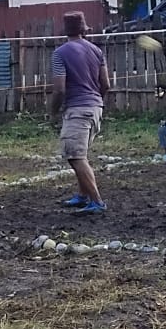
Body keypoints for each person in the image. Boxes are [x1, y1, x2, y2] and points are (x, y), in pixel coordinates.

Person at [51, 11, 110, 214]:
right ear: (83, 30)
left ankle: (97, 201)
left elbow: (60, 89)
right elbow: (106, 84)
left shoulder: (60, 53)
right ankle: (83, 195)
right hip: (95, 108)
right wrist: (96, 100)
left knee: (75, 157)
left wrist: (53, 111)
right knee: (80, 154)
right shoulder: (96, 50)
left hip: (77, 109)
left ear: (65, 30)